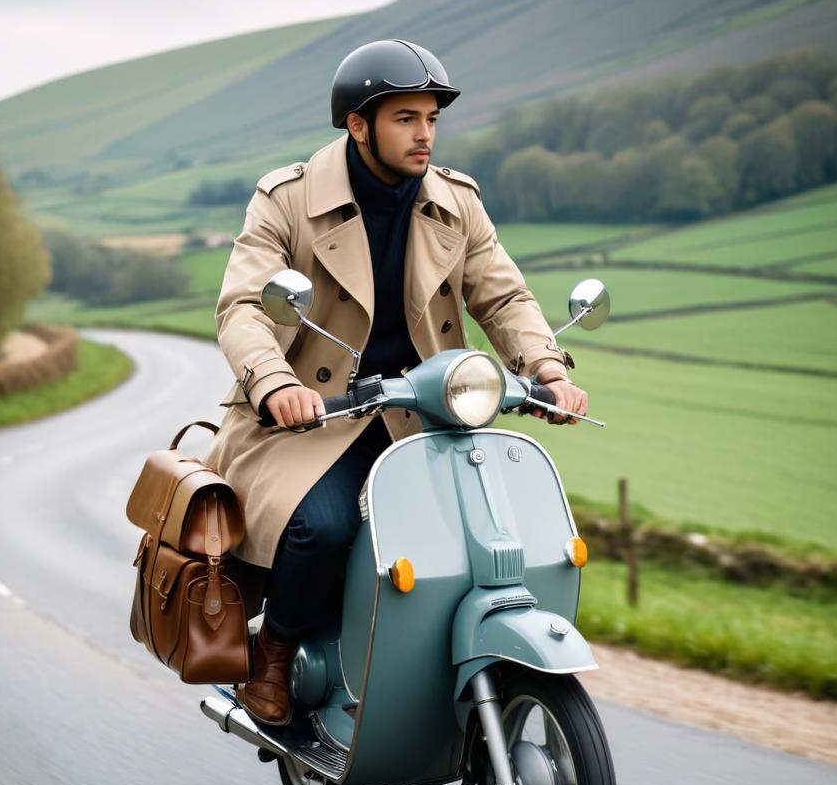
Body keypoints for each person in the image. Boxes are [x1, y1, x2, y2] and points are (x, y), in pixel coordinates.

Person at [204, 40, 587, 726]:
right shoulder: (287, 200)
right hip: (315, 417)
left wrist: (547, 367)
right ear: (358, 125)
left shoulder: (456, 202)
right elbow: (241, 308)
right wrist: (272, 384)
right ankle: (278, 653)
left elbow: (503, 297)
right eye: (406, 118)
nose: (425, 134)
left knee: (491, 534)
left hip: (429, 412)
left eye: (432, 118)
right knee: (322, 528)